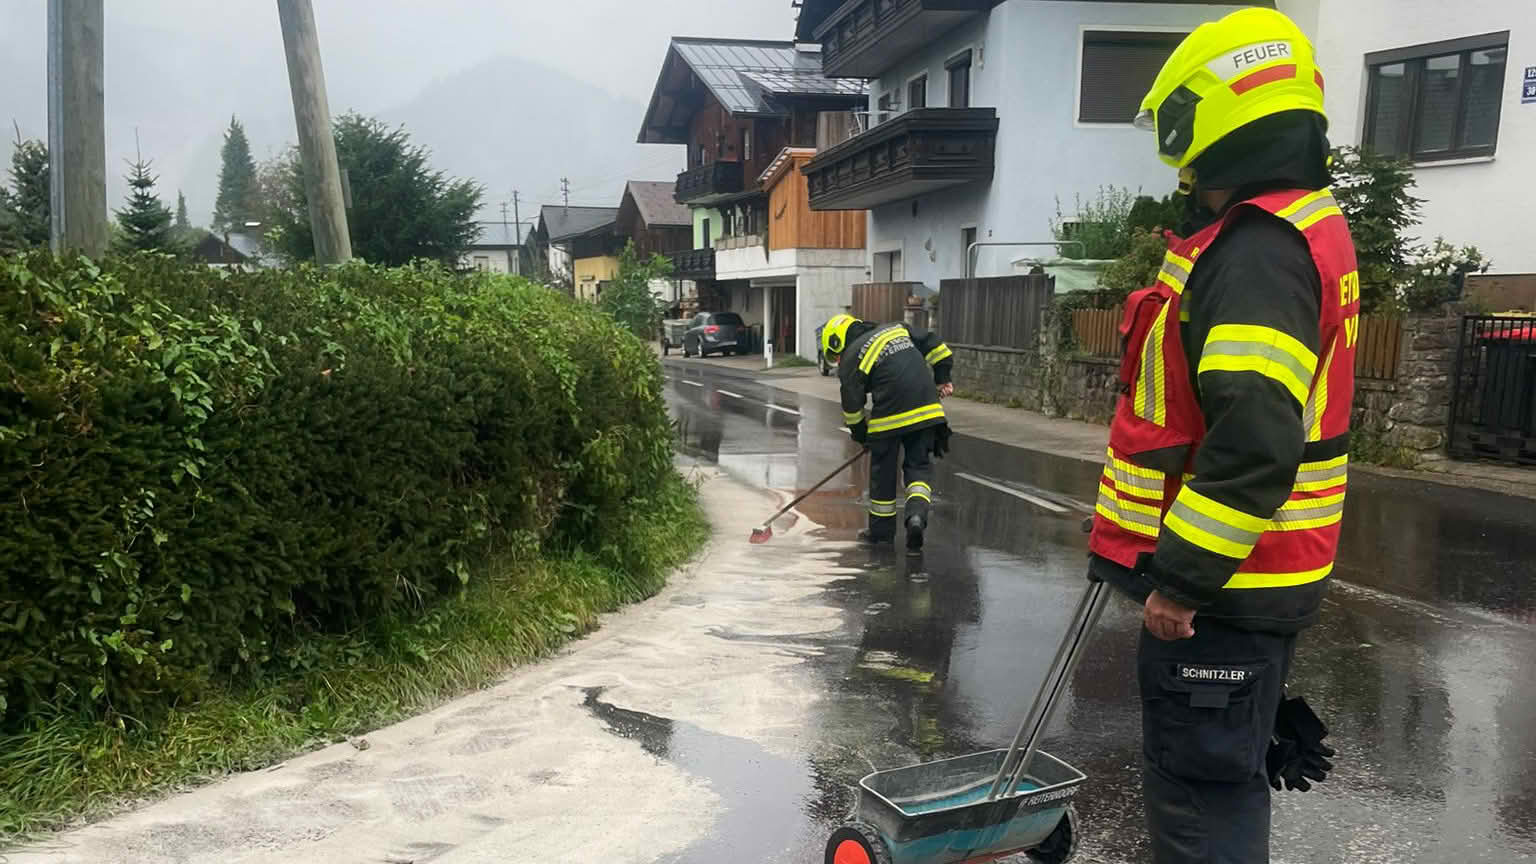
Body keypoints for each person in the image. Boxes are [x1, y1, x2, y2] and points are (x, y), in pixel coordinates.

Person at [1086, 8, 1350, 862]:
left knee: (1200, 798)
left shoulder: (1257, 251)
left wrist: (1183, 580)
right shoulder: (1297, 231)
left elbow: (1255, 436)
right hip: (1256, 579)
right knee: (1217, 779)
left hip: (1224, 591)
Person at [822, 313, 953, 553]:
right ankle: (916, 518)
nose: (839, 361)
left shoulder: (852, 357)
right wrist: (942, 378)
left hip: (890, 417)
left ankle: (881, 534)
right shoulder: (897, 328)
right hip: (928, 409)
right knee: (919, 469)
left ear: (838, 342)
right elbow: (938, 347)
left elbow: (852, 409)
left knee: (882, 474)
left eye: (836, 355)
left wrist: (863, 437)